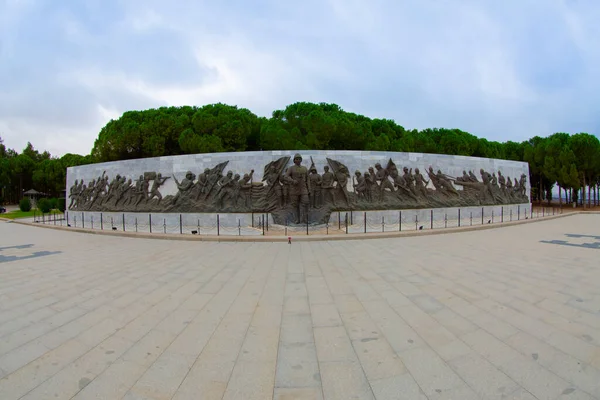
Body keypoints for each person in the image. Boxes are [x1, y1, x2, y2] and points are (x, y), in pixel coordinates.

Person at [285, 154, 311, 224]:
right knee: (295, 205)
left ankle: (305, 219)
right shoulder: (291, 168)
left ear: (301, 160)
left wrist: (309, 189)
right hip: (294, 189)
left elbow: (308, 179)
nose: (298, 160)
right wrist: (292, 181)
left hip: (303, 188)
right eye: (296, 159)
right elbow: (286, 176)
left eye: (299, 159)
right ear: (294, 160)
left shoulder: (305, 168)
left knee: (305, 203)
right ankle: (297, 219)